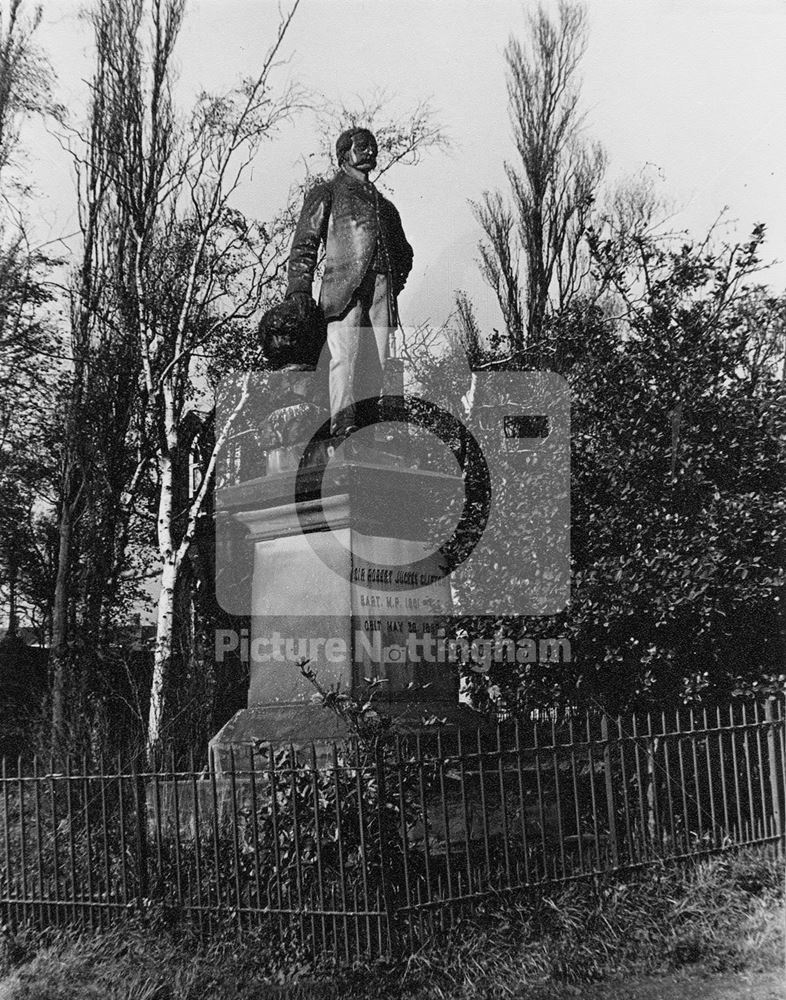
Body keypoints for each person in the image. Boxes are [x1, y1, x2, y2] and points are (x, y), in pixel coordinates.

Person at [285, 127, 413, 437]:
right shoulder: (327, 193)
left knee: (377, 362)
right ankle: (342, 421)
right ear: (345, 154)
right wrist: (299, 288)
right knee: (344, 357)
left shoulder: (385, 207)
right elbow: (305, 244)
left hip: (381, 290)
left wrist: (393, 283)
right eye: (363, 146)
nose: (370, 151)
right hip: (344, 288)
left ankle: (366, 428)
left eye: (373, 146)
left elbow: (404, 254)